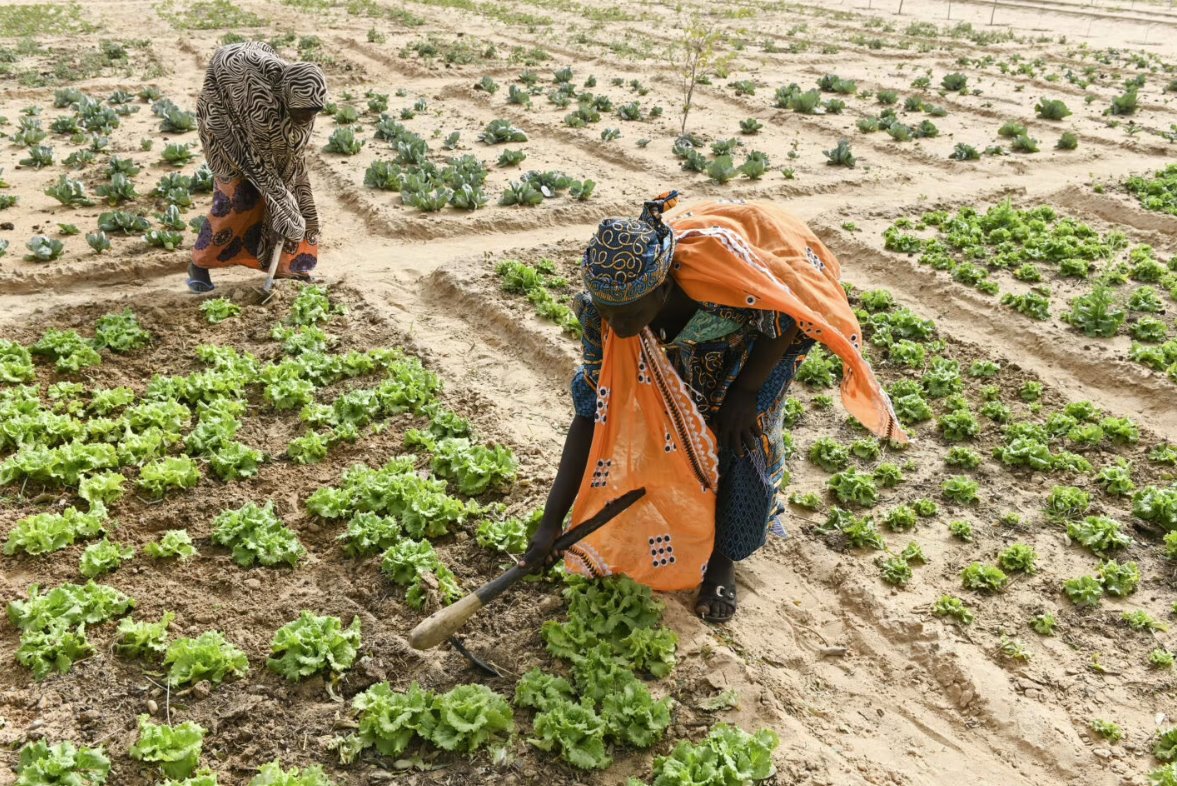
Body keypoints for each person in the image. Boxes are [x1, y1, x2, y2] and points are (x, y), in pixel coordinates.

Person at [519, 193, 906, 623]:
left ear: (664, 290)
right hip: (685, 341)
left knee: (741, 432)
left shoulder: (726, 288)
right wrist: (551, 523)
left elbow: (786, 317)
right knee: (678, 423)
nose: (619, 328)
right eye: (610, 314)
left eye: (629, 314)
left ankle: (724, 559)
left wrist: (745, 392)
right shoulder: (602, 314)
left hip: (761, 341)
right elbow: (593, 409)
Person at [187, 42, 327, 293]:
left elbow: (292, 152)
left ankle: (287, 266)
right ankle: (199, 265)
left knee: (298, 196)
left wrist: (287, 195)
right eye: (301, 112)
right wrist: (282, 201)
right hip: (225, 125)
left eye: (312, 112)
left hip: (264, 124)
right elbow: (256, 161)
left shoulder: (304, 92)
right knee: (239, 198)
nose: (306, 118)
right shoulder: (258, 100)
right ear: (286, 98)